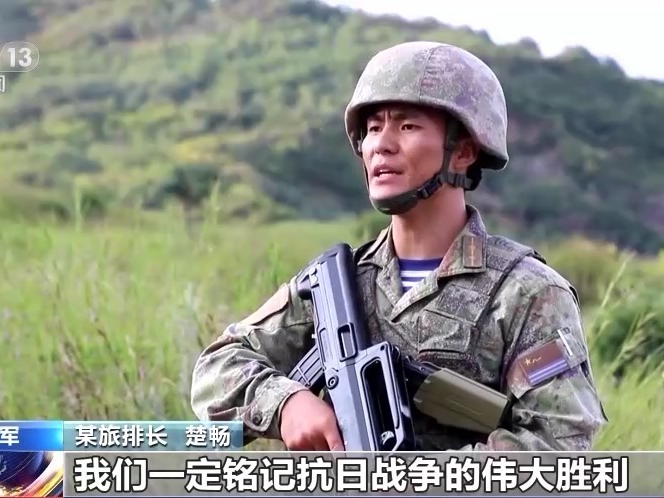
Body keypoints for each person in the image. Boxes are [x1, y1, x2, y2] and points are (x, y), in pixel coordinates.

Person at [190, 41, 607, 451]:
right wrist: (285, 404)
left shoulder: (528, 293)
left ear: (463, 151)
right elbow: (216, 370)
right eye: (373, 128)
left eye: (407, 126)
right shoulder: (337, 286)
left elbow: (557, 442)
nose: (381, 145)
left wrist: (415, 476)